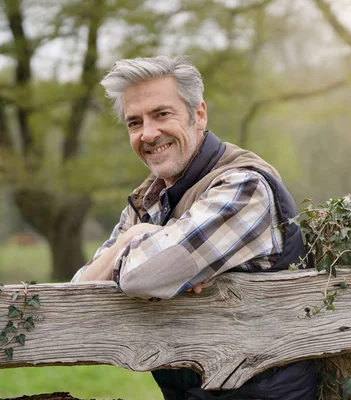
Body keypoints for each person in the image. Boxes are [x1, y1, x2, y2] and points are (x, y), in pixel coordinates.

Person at [72, 56, 317, 400]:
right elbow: (79, 293)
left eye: (161, 114)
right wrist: (137, 238)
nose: (148, 133)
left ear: (198, 114)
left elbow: (140, 278)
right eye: (134, 122)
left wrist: (136, 253)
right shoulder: (150, 197)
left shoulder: (243, 187)